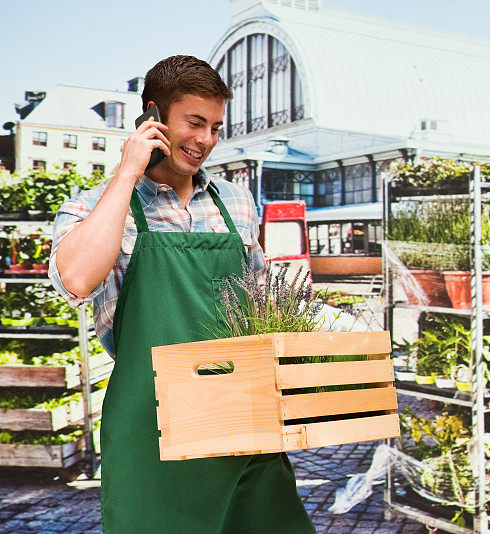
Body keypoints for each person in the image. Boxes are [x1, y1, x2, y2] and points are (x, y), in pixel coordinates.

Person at [49, 55, 315, 533]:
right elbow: (76, 280)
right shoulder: (98, 205)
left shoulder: (234, 200)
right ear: (154, 117)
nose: (206, 141)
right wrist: (127, 173)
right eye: (194, 123)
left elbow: (263, 304)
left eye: (215, 127)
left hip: (241, 423)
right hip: (153, 432)